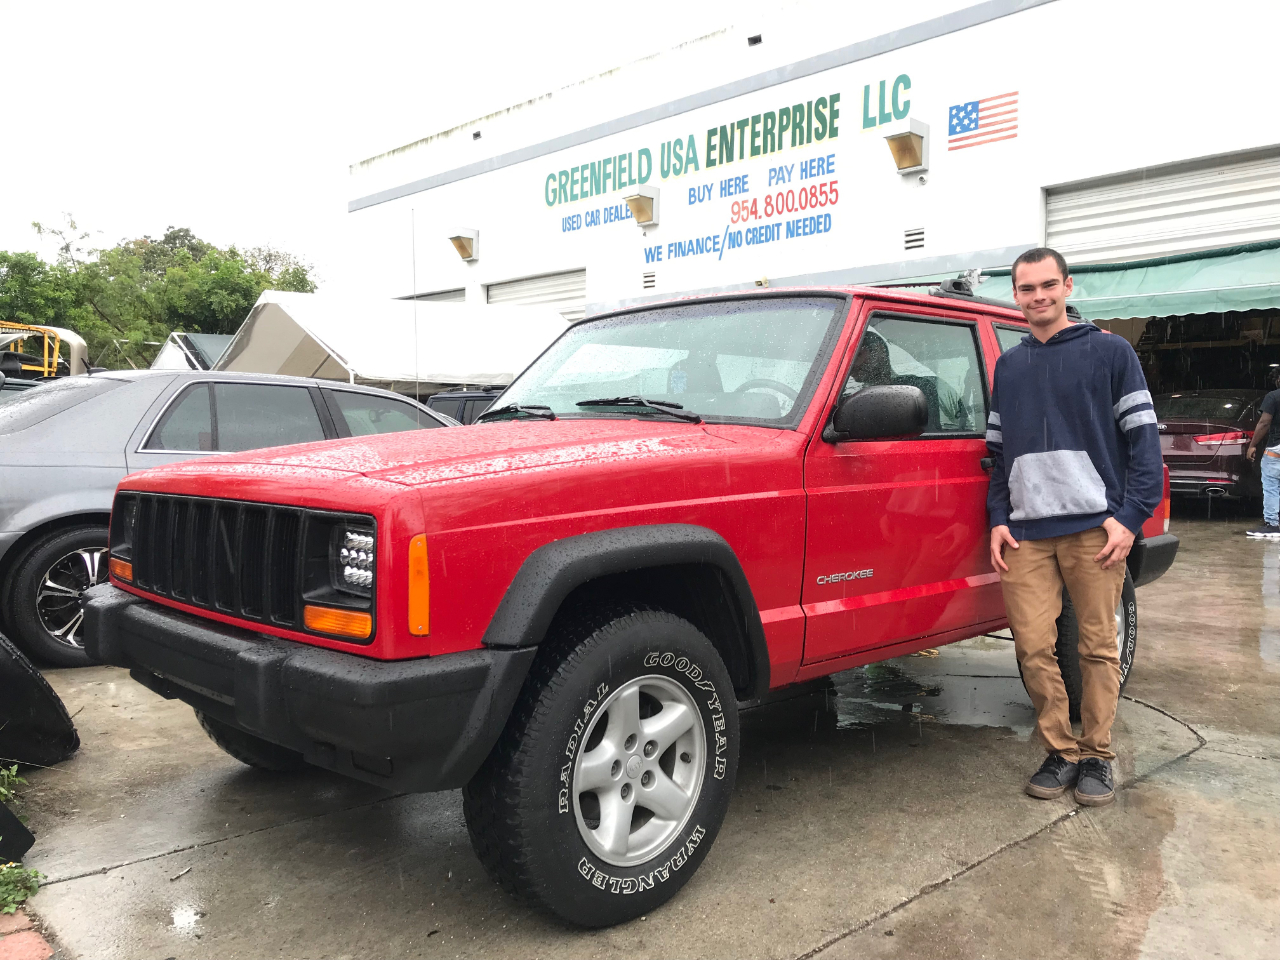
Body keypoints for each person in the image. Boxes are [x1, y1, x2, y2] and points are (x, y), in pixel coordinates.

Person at [987, 247, 1163, 807]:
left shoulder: (1110, 353)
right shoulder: (1009, 366)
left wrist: (1130, 519)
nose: (1038, 296)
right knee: (1032, 647)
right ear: (1014, 295)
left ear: (1067, 286)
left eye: (1047, 285)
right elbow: (997, 454)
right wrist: (997, 518)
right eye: (1025, 288)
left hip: (1095, 529)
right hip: (1027, 534)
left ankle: (1097, 755)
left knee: (1095, 647)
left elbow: (1145, 444)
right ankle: (1060, 750)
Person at [1244, 367, 1280, 539]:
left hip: (1277, 449)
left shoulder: (1273, 396)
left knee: (1272, 486)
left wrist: (1253, 445)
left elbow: (1264, 423)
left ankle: (1273, 525)